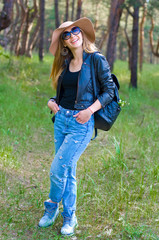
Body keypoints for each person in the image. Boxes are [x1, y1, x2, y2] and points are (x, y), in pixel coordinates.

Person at [38, 17, 115, 236]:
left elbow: (109, 91)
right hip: (61, 120)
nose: (73, 36)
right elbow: (66, 93)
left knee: (57, 169)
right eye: (67, 34)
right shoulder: (65, 63)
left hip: (82, 123)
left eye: (75, 31)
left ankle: (52, 206)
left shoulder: (96, 60)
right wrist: (52, 102)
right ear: (64, 42)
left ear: (82, 33)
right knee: (68, 170)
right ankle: (70, 217)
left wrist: (89, 110)